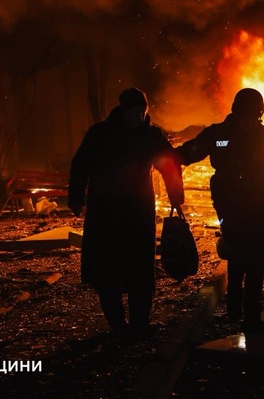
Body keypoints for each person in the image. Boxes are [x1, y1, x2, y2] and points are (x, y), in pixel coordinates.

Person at [178, 88, 264, 334]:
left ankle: (251, 314)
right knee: (236, 252)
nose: (249, 121)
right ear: (236, 112)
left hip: (256, 205)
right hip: (228, 206)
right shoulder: (219, 134)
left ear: (260, 115)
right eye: (246, 116)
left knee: (257, 258)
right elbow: (191, 151)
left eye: (254, 117)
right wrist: (168, 157)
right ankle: (234, 307)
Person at [68, 87, 184, 339]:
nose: (139, 116)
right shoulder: (100, 134)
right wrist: (76, 197)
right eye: (135, 111)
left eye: (142, 112)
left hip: (137, 213)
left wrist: (176, 196)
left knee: (140, 270)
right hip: (105, 213)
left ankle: (139, 324)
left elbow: (169, 164)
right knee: (107, 270)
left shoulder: (150, 136)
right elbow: (80, 165)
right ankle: (118, 326)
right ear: (124, 111)